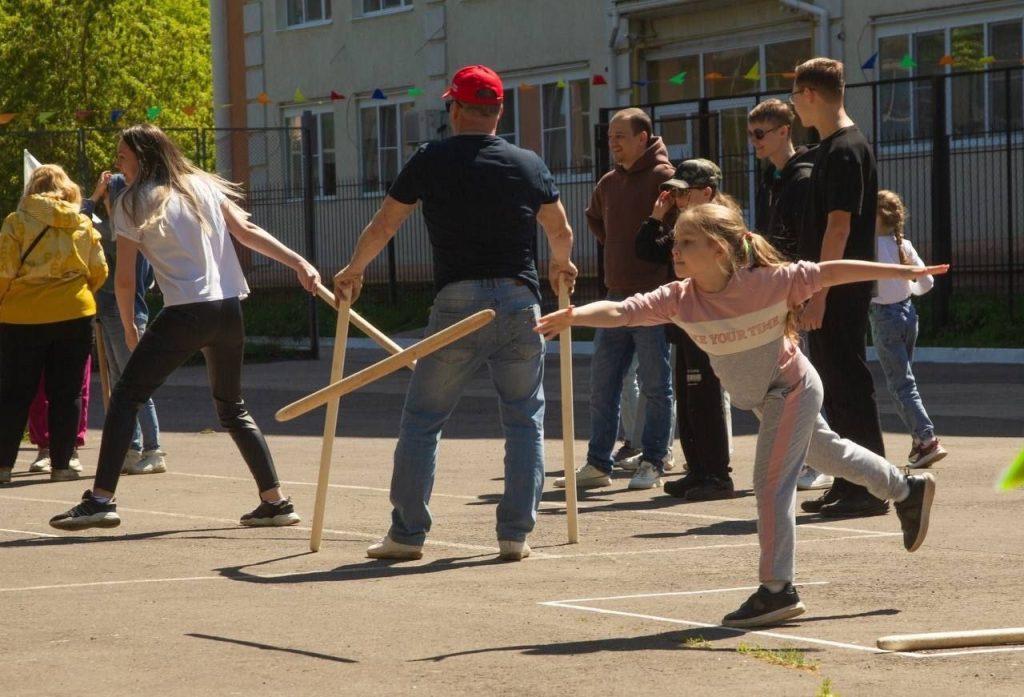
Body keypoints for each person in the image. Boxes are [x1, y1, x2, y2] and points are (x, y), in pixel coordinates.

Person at [536, 203, 942, 628]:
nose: (674, 250)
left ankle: (777, 590)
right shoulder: (680, 299)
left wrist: (901, 272)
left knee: (770, 484)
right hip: (765, 400)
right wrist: (574, 315)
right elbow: (622, 311)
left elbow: (831, 271)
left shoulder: (768, 282)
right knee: (828, 454)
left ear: (716, 249)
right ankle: (907, 488)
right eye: (674, 242)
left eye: (686, 242)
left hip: (792, 389)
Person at [333, 65, 576, 562]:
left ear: (456, 108)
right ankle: (514, 534)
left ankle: (406, 534)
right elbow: (561, 229)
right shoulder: (528, 163)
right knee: (524, 418)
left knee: (424, 417)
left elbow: (385, 224)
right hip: (518, 299)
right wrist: (561, 266)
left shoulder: (431, 159)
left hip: (459, 302)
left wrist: (354, 269)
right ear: (499, 111)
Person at [48, 123, 319, 529]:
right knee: (232, 407)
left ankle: (102, 499)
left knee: (125, 398)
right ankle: (276, 501)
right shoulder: (201, 185)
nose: (117, 163)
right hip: (228, 310)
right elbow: (248, 232)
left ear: (141, 157)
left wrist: (129, 327)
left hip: (187, 313)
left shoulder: (131, 201)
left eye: (122, 156)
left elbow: (124, 280)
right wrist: (299, 262)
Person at [556, 107, 674, 492]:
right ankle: (597, 463)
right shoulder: (608, 182)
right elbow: (593, 218)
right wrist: (616, 248)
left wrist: (648, 259)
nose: (613, 144)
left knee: (656, 383)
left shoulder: (666, 179)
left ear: (643, 138)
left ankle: (654, 460)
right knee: (602, 383)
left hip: (654, 298)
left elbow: (679, 232)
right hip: (615, 297)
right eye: (610, 137)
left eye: (620, 136)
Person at [790, 58, 889, 518]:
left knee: (848, 382)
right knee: (837, 382)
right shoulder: (832, 147)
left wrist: (820, 291)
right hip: (833, 285)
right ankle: (853, 481)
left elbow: (839, 228)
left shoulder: (846, 149)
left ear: (810, 93)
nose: (793, 106)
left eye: (795, 95)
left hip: (841, 288)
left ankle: (869, 488)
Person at [634, 159, 735, 501]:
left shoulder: (719, 224)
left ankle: (717, 475)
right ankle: (698, 470)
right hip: (686, 319)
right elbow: (646, 251)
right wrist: (655, 217)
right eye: (674, 193)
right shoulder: (682, 224)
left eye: (683, 193)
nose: (676, 199)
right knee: (688, 395)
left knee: (705, 396)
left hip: (709, 319)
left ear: (706, 192)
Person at [0, 165, 107, 485]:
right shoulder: (82, 221)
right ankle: (63, 464)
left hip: (22, 317)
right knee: (68, 391)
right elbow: (99, 270)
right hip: (74, 314)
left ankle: (3, 467)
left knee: (15, 393)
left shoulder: (16, 222)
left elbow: (4, 271)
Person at [748, 99, 831, 493]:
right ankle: (808, 458)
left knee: (804, 375)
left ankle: (816, 461)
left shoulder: (801, 178)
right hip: (777, 287)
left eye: (760, 134)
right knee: (790, 374)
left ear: (784, 131)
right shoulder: (773, 177)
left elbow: (806, 240)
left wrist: (805, 294)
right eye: (751, 135)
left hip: (795, 286)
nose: (755, 142)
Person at [90, 170, 167, 475]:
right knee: (122, 385)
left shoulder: (118, 230)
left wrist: (93, 197)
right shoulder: (127, 227)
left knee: (133, 384)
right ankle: (132, 448)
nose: (104, 202)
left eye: (108, 196)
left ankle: (153, 449)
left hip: (125, 311)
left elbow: (80, 221)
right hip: (115, 310)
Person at [870, 190, 947, 468]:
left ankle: (927, 440)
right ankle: (919, 443)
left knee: (901, 384)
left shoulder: (869, 247)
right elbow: (926, 284)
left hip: (883, 318)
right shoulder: (904, 245)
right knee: (906, 381)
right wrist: (906, 289)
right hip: (908, 314)